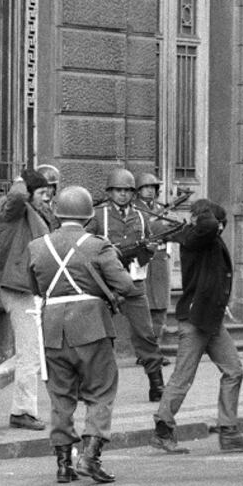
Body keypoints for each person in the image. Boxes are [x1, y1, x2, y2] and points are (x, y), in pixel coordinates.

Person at [27, 186, 136, 484]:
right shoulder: (97, 245)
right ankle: (90, 457)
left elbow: (35, 287)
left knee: (60, 397)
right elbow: (126, 286)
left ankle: (64, 464)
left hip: (52, 328)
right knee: (101, 391)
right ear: (88, 216)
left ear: (57, 213)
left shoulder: (38, 246)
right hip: (91, 326)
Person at [150, 199, 243, 454]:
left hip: (209, 319)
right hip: (195, 320)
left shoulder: (199, 237)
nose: (221, 229)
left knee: (233, 370)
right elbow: (209, 227)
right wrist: (201, 215)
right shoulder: (199, 236)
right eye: (221, 224)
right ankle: (162, 431)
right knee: (183, 376)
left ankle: (229, 431)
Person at [0, 168, 59, 430]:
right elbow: (18, 196)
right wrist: (24, 180)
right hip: (19, 289)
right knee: (31, 355)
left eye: (49, 193)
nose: (47, 197)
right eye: (42, 193)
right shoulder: (13, 213)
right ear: (29, 193)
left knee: (36, 352)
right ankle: (22, 412)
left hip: (35, 289)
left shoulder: (40, 214)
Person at [87, 168, 166, 402]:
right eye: (118, 190)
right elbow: (84, 245)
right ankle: (92, 384)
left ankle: (157, 382)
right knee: (96, 335)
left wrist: (148, 251)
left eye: (127, 191)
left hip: (134, 282)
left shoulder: (141, 216)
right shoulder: (98, 215)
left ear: (133, 193)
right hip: (104, 284)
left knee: (145, 333)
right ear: (110, 192)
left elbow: (148, 247)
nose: (122, 195)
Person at [133, 173, 172, 348]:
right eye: (145, 187)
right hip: (142, 259)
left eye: (152, 187)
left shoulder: (162, 209)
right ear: (138, 190)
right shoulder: (134, 210)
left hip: (161, 259)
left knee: (161, 305)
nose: (149, 191)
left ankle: (156, 347)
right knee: (144, 306)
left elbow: (171, 230)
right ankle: (145, 349)